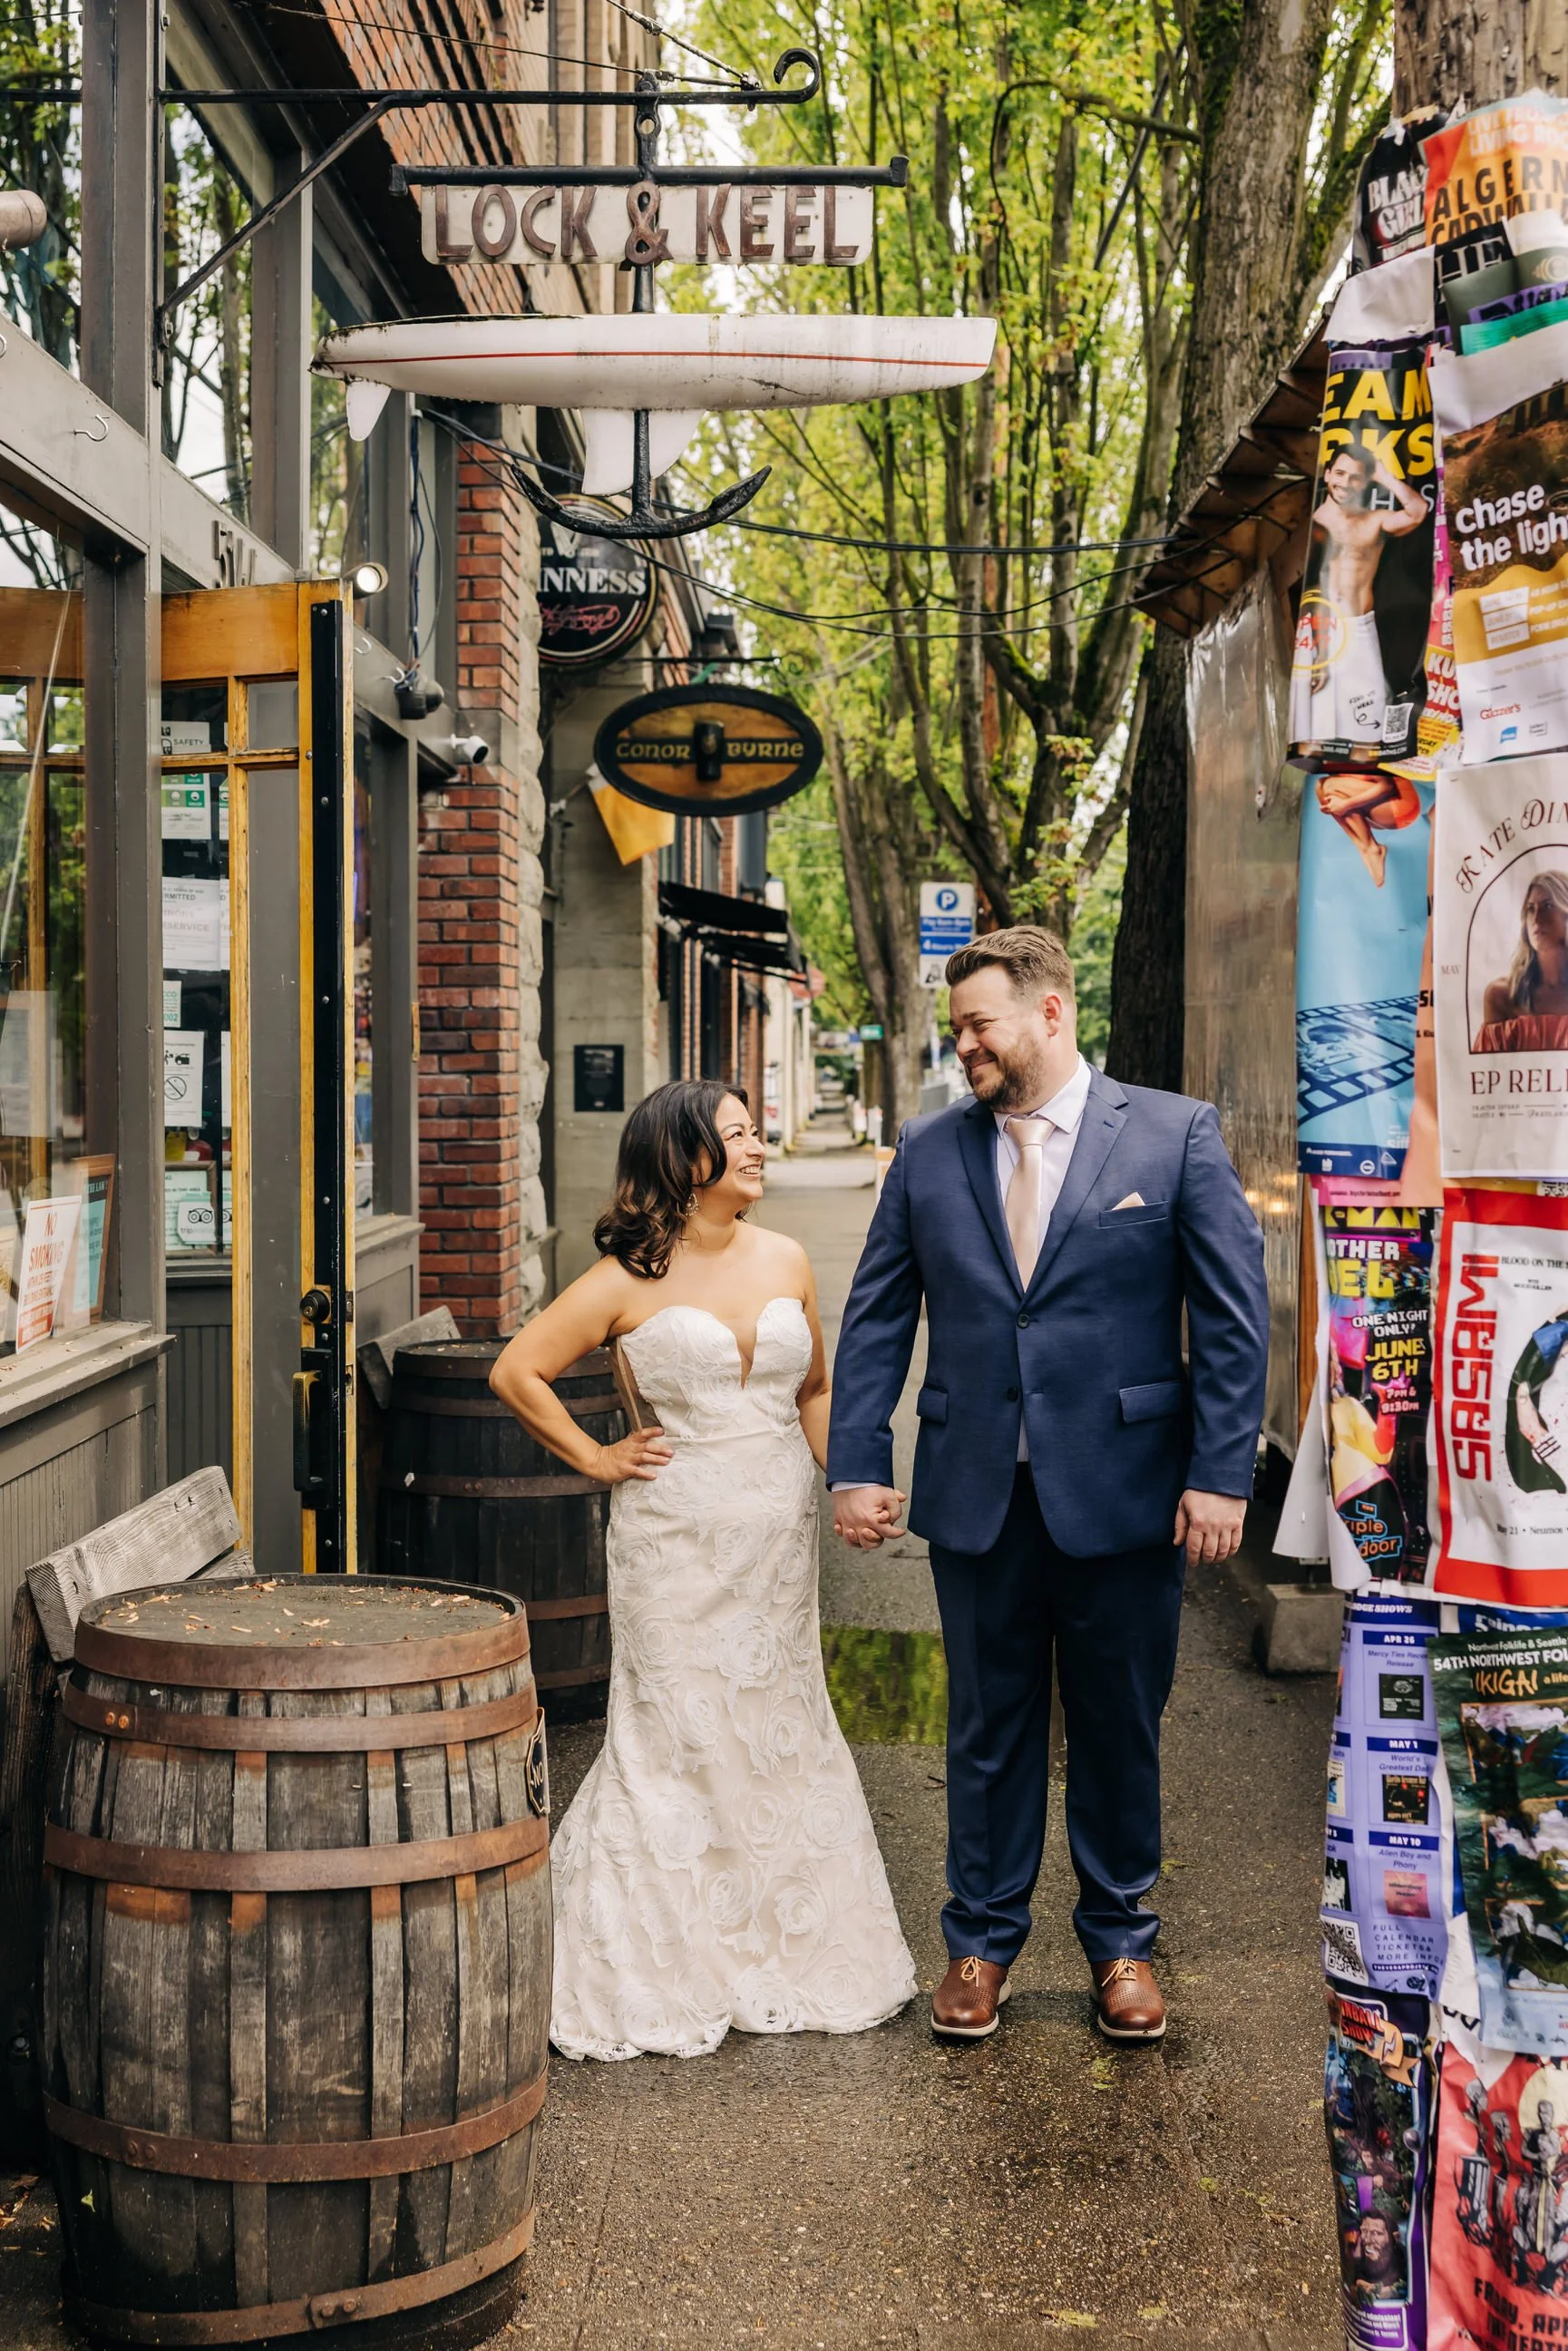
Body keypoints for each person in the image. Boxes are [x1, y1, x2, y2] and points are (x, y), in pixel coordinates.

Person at [827, 926, 1268, 2044]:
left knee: (1119, 1726)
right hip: (976, 1490)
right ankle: (979, 1944)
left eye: (980, 1024)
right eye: (957, 1027)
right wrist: (858, 1461)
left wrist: (1221, 1476)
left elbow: (1230, 1320)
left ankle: (1121, 1945)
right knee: (986, 1728)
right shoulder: (927, 1149)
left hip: (1125, 1491)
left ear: (1051, 1012)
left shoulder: (1172, 1135)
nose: (964, 1044)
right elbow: (876, 1315)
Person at [489, 1078, 916, 2062]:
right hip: (672, 1544)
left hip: (776, 1547)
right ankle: (662, 1957)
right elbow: (517, 1371)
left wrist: (849, 1482)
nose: (758, 1147)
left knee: (775, 1724)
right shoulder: (622, 1278)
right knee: (676, 1736)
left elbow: (812, 1388)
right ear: (684, 1158)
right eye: (738, 1135)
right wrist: (597, 1458)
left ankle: (782, 1946)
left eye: (757, 1132)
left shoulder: (786, 1257)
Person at [1290, 442, 1427, 753]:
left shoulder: (1373, 521)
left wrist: (1384, 476)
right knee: (1312, 736)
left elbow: (1418, 511)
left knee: (1368, 733)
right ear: (1327, 474)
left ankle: (1360, 779)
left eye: (1355, 477)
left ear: (1364, 482)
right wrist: (1321, 652)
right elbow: (1312, 589)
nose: (1345, 483)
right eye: (1339, 473)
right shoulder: (1311, 523)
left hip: (1360, 629)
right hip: (1320, 630)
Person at [1475, 872, 1568, 1051]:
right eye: (1530, 909)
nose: (1536, 918)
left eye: (1548, 906)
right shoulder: (1502, 995)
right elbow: (1490, 1066)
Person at [1316, 769, 1425, 890]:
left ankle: (1372, 848)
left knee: (1330, 785)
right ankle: (1363, 848)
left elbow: (1387, 786)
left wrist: (1346, 804)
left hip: (1401, 805)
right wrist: (1332, 807)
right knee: (1320, 786)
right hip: (1381, 810)